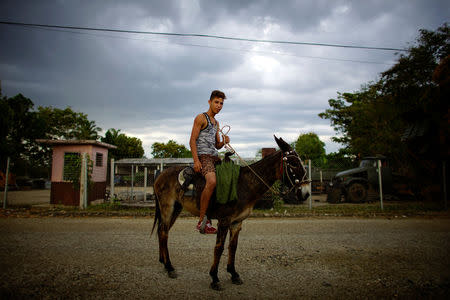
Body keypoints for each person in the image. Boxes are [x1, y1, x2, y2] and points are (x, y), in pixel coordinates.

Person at [189, 90, 230, 234]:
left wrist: (224, 141)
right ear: (210, 102)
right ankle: (202, 221)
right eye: (216, 102)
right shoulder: (201, 118)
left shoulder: (217, 123)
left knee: (229, 176)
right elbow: (192, 140)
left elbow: (217, 145)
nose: (219, 106)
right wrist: (196, 160)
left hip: (214, 156)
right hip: (203, 156)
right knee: (212, 181)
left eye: (221, 104)